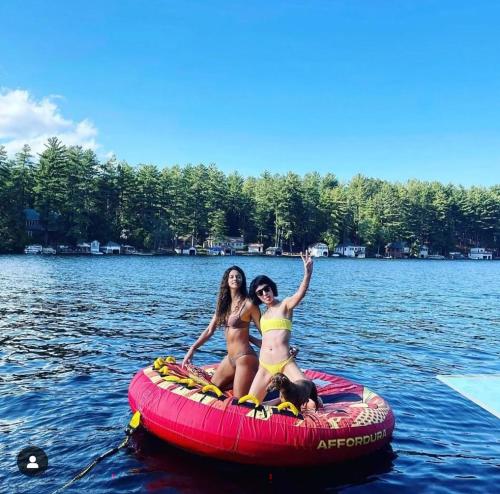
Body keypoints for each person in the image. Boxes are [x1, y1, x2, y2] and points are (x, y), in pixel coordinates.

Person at [182, 266, 261, 399]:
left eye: (238, 276)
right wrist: (192, 348)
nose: (235, 279)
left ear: (243, 280)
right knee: (211, 389)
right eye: (232, 276)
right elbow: (209, 330)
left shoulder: (249, 304)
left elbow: (265, 331)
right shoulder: (223, 304)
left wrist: (281, 348)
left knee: (239, 401)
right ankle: (237, 381)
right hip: (230, 358)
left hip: (245, 358)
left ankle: (266, 393)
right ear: (227, 281)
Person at [247, 252, 314, 406]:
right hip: (264, 366)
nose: (265, 294)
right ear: (257, 297)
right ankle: (278, 400)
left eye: (266, 289)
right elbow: (266, 343)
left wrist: (308, 273)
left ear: (272, 287)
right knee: (250, 403)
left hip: (284, 363)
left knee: (309, 400)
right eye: (260, 293)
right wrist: (248, 337)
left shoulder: (285, 305)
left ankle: (291, 398)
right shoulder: (263, 316)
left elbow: (301, 293)